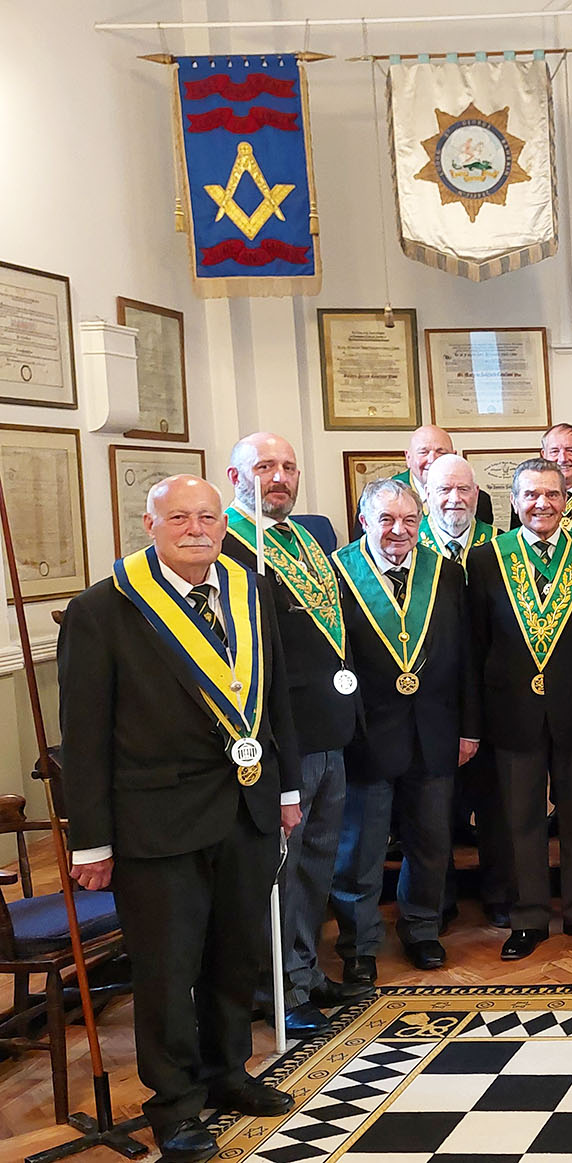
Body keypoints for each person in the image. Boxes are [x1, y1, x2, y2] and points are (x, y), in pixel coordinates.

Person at [61, 476, 301, 1162]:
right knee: (168, 970)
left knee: (235, 953)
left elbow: (274, 695)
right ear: (150, 523)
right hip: (155, 821)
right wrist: (93, 838)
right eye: (180, 517)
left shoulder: (250, 588)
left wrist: (284, 792)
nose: (196, 528)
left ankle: (227, 1072)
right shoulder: (103, 608)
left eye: (207, 516)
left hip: (247, 806)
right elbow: (84, 737)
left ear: (224, 522)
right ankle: (175, 1104)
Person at [221, 433, 369, 1034]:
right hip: (282, 734)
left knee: (316, 861)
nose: (278, 477)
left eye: (286, 467)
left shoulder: (305, 538)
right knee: (280, 866)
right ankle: (276, 982)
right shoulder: (230, 543)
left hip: (328, 728)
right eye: (263, 467)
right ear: (237, 479)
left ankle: (303, 970)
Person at [466, 458, 572, 960]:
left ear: (567, 501)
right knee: (522, 820)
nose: (542, 504)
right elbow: (479, 646)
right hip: (512, 713)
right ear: (515, 502)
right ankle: (529, 916)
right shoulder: (487, 560)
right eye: (531, 495)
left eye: (552, 495)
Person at [328, 481, 473, 976]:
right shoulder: (336, 573)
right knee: (361, 850)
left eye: (409, 521)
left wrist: (469, 729)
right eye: (387, 520)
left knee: (431, 843)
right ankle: (359, 946)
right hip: (367, 736)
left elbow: (466, 659)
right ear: (365, 521)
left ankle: (422, 929)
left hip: (435, 732)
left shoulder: (446, 574)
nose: (399, 531)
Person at [424, 454, 511, 929]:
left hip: (494, 698)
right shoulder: (406, 548)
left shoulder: (501, 548)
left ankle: (500, 894)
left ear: (478, 496)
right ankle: (437, 901)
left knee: (496, 806)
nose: (455, 499)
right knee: (433, 811)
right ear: (427, 496)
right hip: (432, 701)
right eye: (444, 491)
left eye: (464, 490)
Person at [395, 423, 496, 527]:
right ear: (408, 457)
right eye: (423, 452)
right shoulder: (389, 496)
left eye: (441, 452)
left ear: (454, 456)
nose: (432, 460)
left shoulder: (479, 500)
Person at [420, 453, 495, 563]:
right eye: (445, 489)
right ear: (428, 494)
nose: (455, 499)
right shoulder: (409, 543)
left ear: (476, 493)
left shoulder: (498, 543)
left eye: (463, 489)